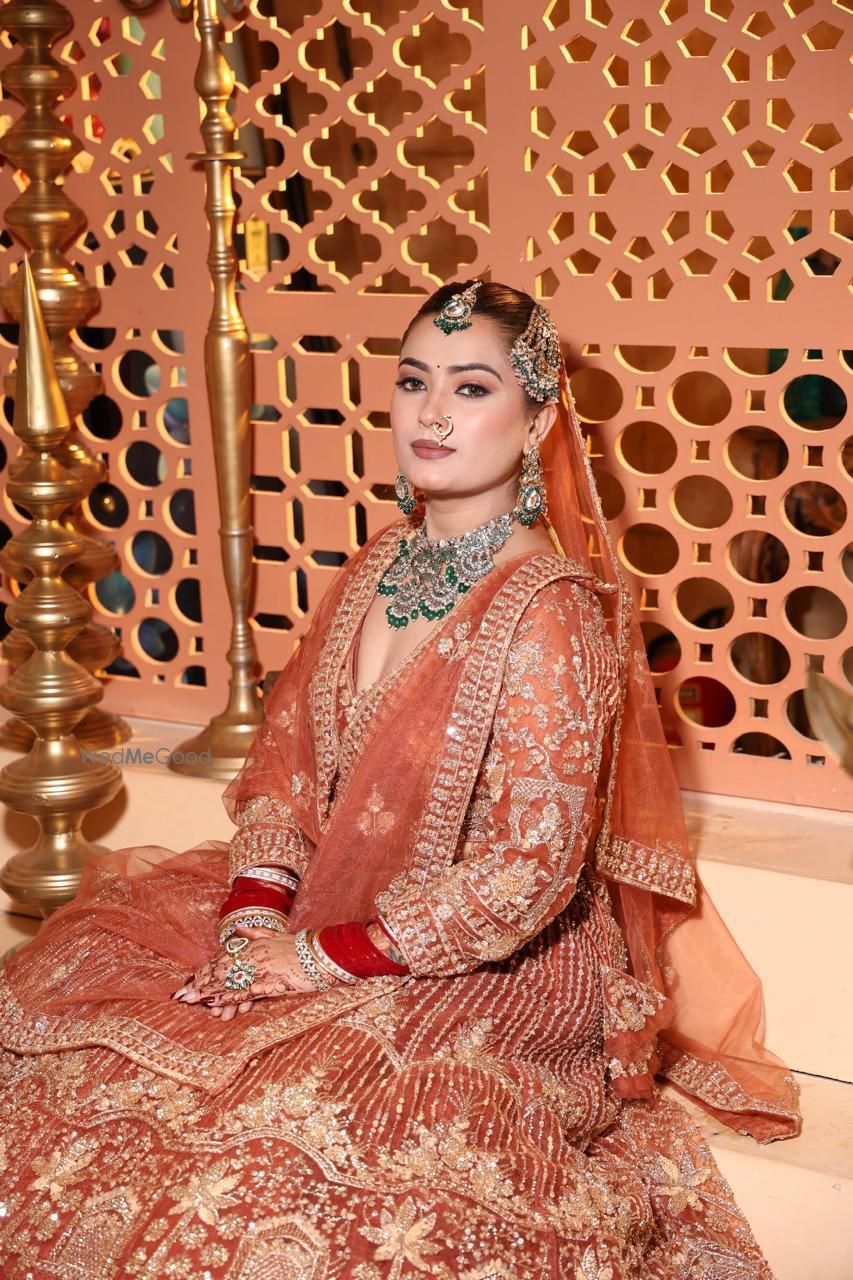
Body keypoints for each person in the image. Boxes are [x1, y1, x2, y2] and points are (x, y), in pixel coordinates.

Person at [0, 282, 799, 1280]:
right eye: (414, 381)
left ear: (537, 422)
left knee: (280, 1145)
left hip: (490, 962)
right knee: (76, 1041)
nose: (432, 413)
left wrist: (314, 960)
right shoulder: (380, 562)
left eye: (471, 387)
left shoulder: (548, 613)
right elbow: (286, 776)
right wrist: (252, 922)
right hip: (325, 911)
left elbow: (525, 876)